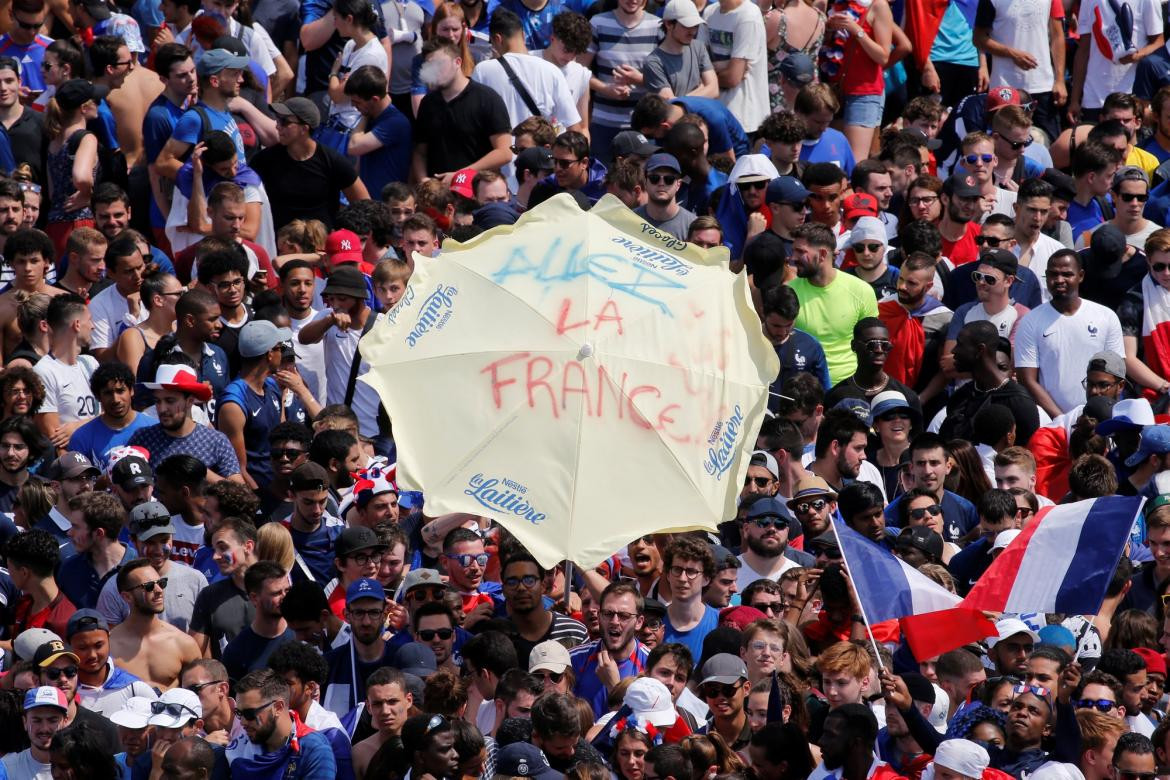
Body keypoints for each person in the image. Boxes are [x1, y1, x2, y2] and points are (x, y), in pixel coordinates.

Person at [1016, 249, 1125, 416]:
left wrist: (1100, 414)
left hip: (1100, 418)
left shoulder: (1106, 316)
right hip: (1052, 423)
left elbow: (1115, 375)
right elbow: (1027, 380)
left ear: (1080, 276)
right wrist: (1062, 420)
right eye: (1053, 274)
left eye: (1067, 274)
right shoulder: (1030, 321)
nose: (1059, 280)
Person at [252, 98, 368, 230]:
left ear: (304, 128)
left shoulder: (332, 161)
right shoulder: (265, 159)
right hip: (281, 245)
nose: (277, 126)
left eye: (284, 122)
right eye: (278, 120)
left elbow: (363, 204)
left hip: (321, 245)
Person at [788, 222, 880, 386]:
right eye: (793, 250)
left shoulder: (861, 291)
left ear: (822, 254)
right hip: (802, 387)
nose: (792, 257)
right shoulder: (788, 293)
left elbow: (871, 347)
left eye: (800, 252)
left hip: (849, 387)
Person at [95, 499, 207, 632]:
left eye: (164, 540)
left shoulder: (195, 580)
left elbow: (206, 640)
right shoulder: (115, 588)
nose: (158, 550)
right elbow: (110, 643)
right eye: (150, 543)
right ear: (133, 541)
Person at [412, 39, 512, 182]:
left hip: (476, 191)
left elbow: (505, 152)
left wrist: (461, 175)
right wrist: (423, 180)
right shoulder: (428, 103)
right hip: (438, 194)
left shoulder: (487, 99)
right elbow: (420, 152)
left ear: (457, 62)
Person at [129, 361, 243, 481]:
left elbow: (240, 493)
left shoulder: (216, 441)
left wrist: (204, 474)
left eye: (170, 401)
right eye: (157, 401)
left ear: (190, 401)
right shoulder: (143, 438)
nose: (162, 409)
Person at [108, 557, 202, 689]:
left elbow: (200, 695)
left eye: (161, 583)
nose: (159, 590)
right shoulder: (110, 646)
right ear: (127, 596)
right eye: (149, 586)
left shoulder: (183, 643)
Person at [226, 668, 338, 776]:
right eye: (239, 713)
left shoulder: (314, 750)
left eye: (249, 714)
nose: (242, 722)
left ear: (278, 708)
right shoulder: (236, 750)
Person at [323, 577, 396, 717]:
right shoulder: (329, 666)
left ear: (385, 614)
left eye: (374, 612)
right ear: (347, 615)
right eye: (359, 613)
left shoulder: (399, 658)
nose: (366, 622)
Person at [33, 294, 98, 450]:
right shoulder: (43, 371)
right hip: (74, 462)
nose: (93, 326)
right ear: (76, 324)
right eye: (89, 320)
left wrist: (76, 427)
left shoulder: (90, 363)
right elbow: (55, 439)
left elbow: (110, 414)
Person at [188, 517, 258, 658]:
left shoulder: (277, 591)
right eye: (214, 549)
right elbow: (196, 655)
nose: (215, 556)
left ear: (248, 546)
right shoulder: (209, 596)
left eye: (223, 548)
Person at [67, 608, 156, 717]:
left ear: (109, 639)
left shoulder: (135, 689)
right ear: (69, 647)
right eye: (82, 647)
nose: (92, 655)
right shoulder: (64, 692)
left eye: (98, 645)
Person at [221, 561, 295, 682]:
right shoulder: (236, 651)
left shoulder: (302, 636)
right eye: (276, 593)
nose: (284, 597)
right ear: (254, 598)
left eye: (287, 591)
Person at [58, 491, 133, 609]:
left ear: (99, 533)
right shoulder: (68, 569)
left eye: (76, 527)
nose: (69, 533)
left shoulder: (140, 569)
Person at [351, 667, 413, 778]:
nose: (385, 711)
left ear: (408, 700)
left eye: (392, 701)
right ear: (368, 707)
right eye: (377, 704)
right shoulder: (360, 753)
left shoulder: (426, 744)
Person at [3, 686, 68, 779]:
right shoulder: (7, 768)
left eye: (52, 720)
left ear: (65, 722)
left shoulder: (82, 766)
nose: (44, 729)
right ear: (25, 722)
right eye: (37, 720)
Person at [634, 154, 696, 240]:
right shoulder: (631, 219)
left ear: (678, 185)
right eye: (654, 178)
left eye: (669, 179)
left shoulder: (693, 225)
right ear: (645, 182)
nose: (661, 183)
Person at [699, 653, 753, 750]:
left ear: (746, 688)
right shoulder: (697, 741)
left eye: (728, 689)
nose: (720, 697)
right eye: (712, 690)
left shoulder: (762, 739)